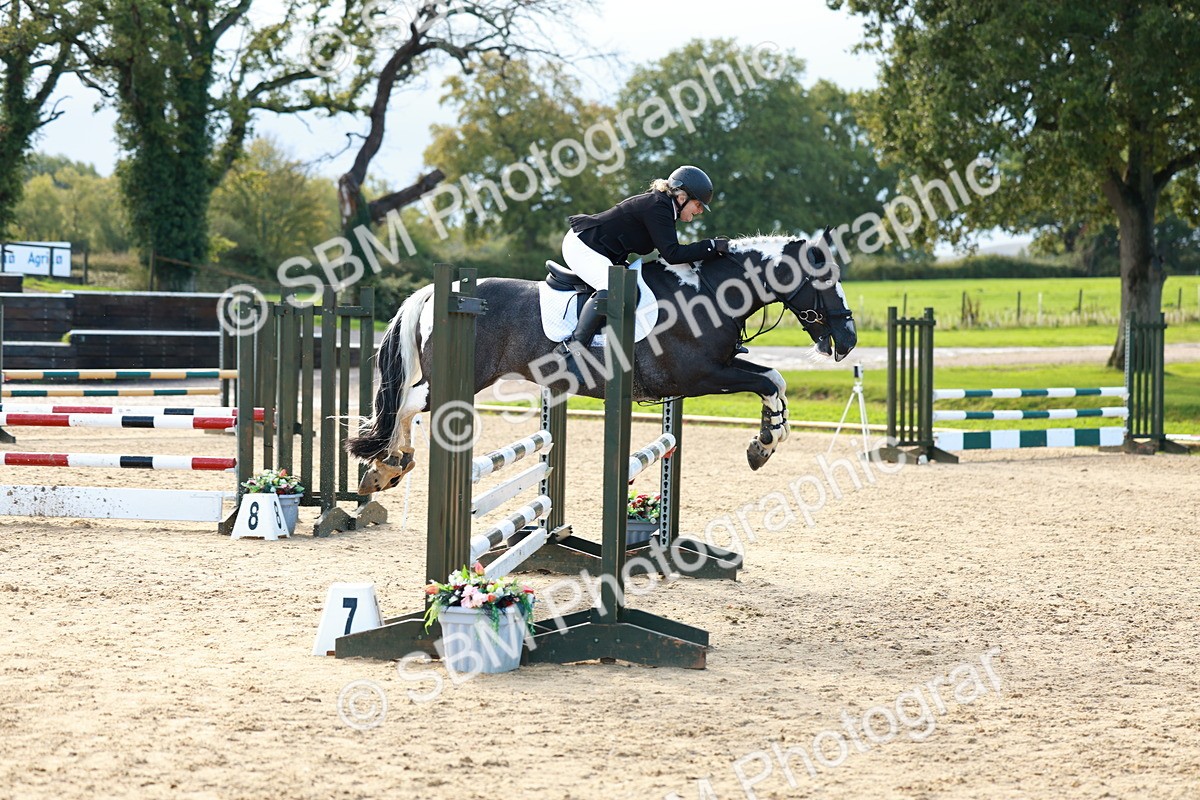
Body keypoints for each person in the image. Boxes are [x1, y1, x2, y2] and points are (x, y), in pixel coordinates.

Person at [554, 165, 730, 377]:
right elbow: (672, 254)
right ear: (682, 196)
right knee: (613, 289)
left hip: (602, 251)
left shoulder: (664, 207)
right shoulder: (658, 207)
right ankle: (571, 351)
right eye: (698, 204)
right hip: (582, 246)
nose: (700, 211)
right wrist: (710, 246)